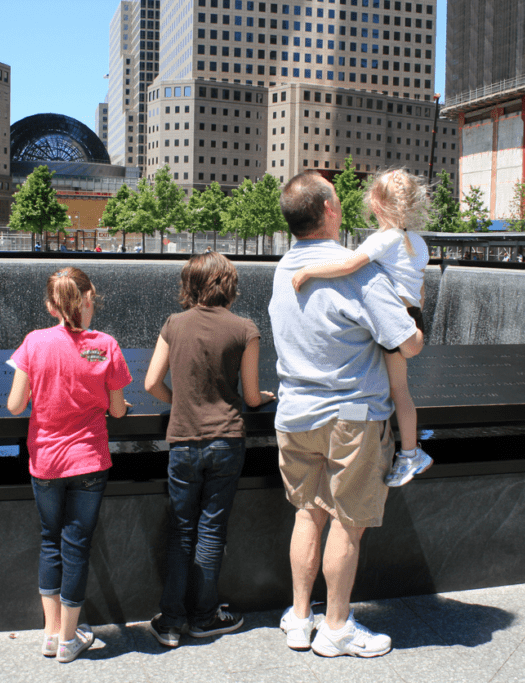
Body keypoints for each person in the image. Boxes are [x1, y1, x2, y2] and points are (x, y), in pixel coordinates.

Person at [269, 171, 423, 658]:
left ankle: (298, 618)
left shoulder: (281, 269)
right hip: (351, 419)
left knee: (307, 514)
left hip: (294, 416)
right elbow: (407, 342)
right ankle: (336, 628)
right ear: (330, 211)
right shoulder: (359, 271)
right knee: (346, 522)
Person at [144, 252, 276, 647]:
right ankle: (204, 617)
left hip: (183, 441)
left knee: (181, 531)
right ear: (228, 285)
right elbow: (251, 396)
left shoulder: (173, 324)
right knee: (211, 531)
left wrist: (180, 400)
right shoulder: (245, 329)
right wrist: (263, 396)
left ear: (192, 285)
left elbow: (151, 383)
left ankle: (169, 622)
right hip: (226, 442)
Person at [6, 267, 132, 664]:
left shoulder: (33, 342)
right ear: (89, 299)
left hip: (44, 461)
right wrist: (121, 406)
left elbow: (14, 406)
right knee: (76, 546)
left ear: (50, 305)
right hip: (89, 462)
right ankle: (68, 638)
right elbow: (116, 409)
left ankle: (50, 633)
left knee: (50, 541)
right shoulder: (106, 344)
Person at [291, 168, 432, 487]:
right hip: (411, 318)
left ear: (376, 205)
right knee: (401, 390)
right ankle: (410, 453)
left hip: (392, 321)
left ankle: (355, 444)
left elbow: (348, 265)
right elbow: (421, 288)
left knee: (371, 379)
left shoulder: (384, 239)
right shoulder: (417, 242)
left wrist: (308, 271)